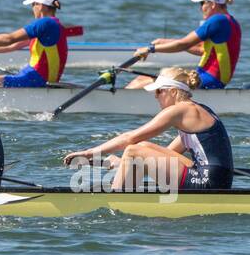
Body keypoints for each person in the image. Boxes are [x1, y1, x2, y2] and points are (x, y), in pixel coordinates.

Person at [64, 67, 233, 191]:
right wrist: (123, 163)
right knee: (143, 147)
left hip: (209, 183)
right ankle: (123, 185)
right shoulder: (195, 109)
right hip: (213, 176)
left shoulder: (180, 110)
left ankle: (114, 199)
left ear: (173, 91)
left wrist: (89, 153)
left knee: (132, 150)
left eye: (159, 91)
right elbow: (163, 157)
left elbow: (130, 138)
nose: (155, 96)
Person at [128, 0, 240, 89]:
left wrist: (150, 49)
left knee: (144, 83)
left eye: (202, 3)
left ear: (212, 4)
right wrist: (164, 42)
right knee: (142, 79)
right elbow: (201, 50)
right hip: (205, 77)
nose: (200, 8)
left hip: (208, 80)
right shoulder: (231, 22)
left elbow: (184, 44)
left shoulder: (217, 21)